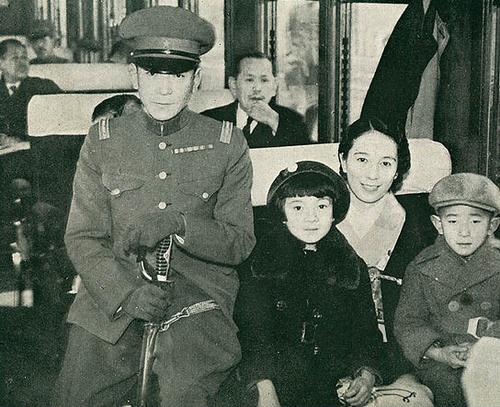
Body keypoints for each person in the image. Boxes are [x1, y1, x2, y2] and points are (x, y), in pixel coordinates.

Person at [53, 6, 255, 407]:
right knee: (76, 396)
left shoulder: (227, 143)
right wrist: (126, 294)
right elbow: (82, 236)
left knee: (185, 394)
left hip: (197, 297)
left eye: (178, 75)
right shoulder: (103, 141)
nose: (164, 89)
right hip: (109, 292)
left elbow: (239, 242)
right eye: (152, 74)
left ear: (196, 79)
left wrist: (182, 224)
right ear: (134, 77)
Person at [220, 161, 383, 407]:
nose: (311, 217)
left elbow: (365, 331)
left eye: (321, 206)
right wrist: (263, 387)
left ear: (334, 211)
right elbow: (251, 333)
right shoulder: (261, 264)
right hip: (271, 380)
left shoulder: (349, 265)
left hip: (329, 382)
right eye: (298, 207)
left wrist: (366, 374)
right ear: (282, 214)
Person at [336, 117, 435, 405]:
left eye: (386, 163)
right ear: (343, 161)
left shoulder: (419, 228)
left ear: (397, 171)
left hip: (399, 359)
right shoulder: (318, 220)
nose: (372, 175)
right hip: (334, 356)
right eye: (362, 159)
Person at [394, 173, 500, 407]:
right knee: (448, 389)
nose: (464, 232)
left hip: (493, 357)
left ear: (492, 225)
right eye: (452, 221)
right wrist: (438, 352)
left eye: (475, 221)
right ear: (437, 224)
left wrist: (486, 347)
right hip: (439, 361)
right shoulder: (421, 267)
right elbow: (408, 323)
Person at [201, 51, 310, 148]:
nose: (257, 88)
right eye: (249, 80)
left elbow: (302, 159)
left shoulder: (293, 121)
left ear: (274, 87)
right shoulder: (209, 120)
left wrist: (274, 122)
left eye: (264, 80)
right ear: (233, 85)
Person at [0, 39, 61, 142]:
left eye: (24, 57)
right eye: (15, 58)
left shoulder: (45, 87)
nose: (22, 63)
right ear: (1, 63)